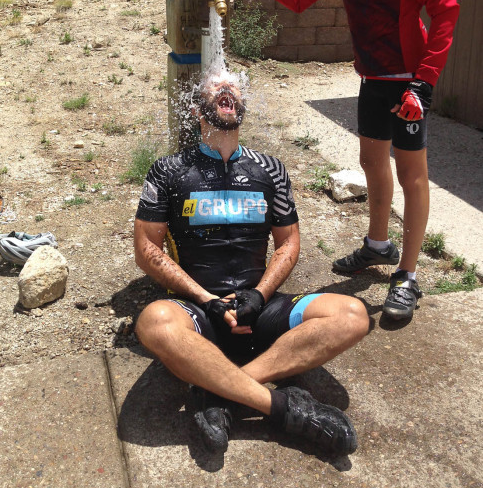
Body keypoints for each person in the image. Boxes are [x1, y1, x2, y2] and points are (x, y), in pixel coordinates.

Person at [233, 0, 459, 321]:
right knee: (372, 163)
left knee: (412, 175)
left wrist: (424, 81)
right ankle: (377, 244)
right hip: (373, 76)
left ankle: (408, 274)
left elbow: (446, 8)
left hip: (407, 81)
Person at [134, 70, 369, 455]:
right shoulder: (169, 170)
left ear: (242, 105)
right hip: (199, 312)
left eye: (234, 86)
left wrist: (259, 296)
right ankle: (280, 407)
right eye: (216, 85)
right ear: (195, 109)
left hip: (260, 309)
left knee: (353, 315)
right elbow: (146, 249)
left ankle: (220, 392)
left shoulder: (270, 169)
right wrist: (206, 299)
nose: (227, 88)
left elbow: (289, 241)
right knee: (152, 323)